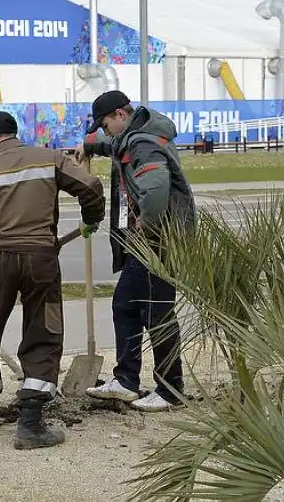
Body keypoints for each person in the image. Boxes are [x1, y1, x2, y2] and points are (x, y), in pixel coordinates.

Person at [0, 111, 106, 450]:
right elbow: (91, 186)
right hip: (41, 257)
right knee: (43, 330)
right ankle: (30, 422)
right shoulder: (49, 158)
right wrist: (91, 218)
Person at [74, 89, 196, 412]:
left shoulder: (142, 143)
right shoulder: (134, 135)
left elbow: (156, 189)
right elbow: (113, 145)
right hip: (157, 240)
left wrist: (148, 224)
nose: (105, 131)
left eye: (105, 123)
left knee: (155, 312)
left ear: (120, 115)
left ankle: (170, 390)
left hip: (159, 241)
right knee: (130, 306)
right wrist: (90, 145)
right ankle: (128, 381)